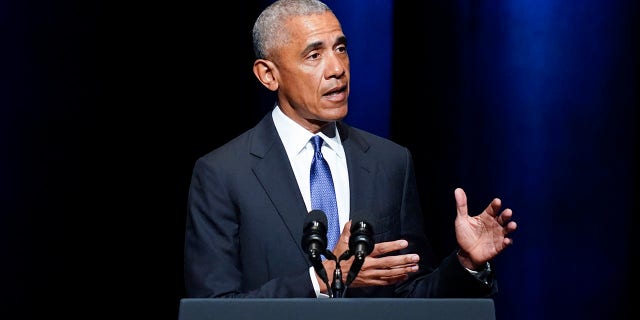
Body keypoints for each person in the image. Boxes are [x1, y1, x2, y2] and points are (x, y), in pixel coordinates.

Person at [184, 0, 517, 299]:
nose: (337, 69)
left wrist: (467, 263)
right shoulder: (224, 173)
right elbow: (214, 307)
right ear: (268, 75)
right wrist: (320, 281)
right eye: (314, 55)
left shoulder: (390, 162)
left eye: (340, 49)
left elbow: (411, 297)